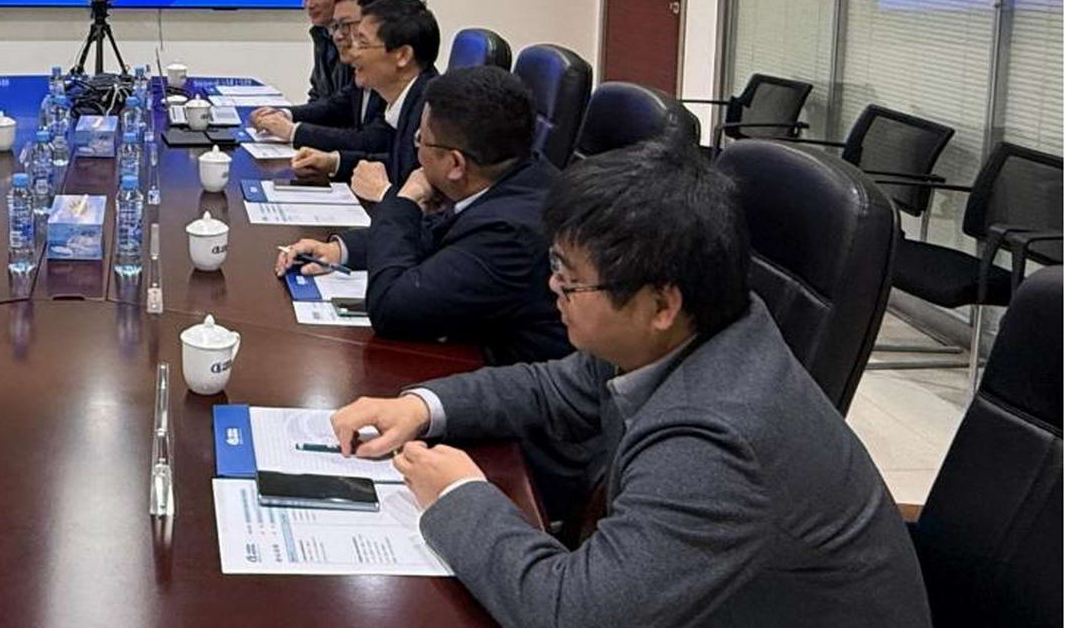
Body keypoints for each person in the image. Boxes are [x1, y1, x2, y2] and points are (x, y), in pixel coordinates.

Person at [327, 143, 932, 628]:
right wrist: (423, 406)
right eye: (555, 267)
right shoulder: (685, 330)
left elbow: (568, 612)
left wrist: (459, 495)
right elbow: (552, 388)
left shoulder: (716, 442)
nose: (553, 290)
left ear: (661, 303)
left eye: (570, 280)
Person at [273, 66, 567, 364]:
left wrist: (404, 199)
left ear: (455, 164)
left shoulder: (508, 232)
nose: (417, 151)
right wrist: (342, 250)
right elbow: (435, 233)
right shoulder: (517, 174)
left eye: (420, 140)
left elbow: (391, 309)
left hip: (497, 375)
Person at [290, 0, 438, 201]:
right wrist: (334, 162)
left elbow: (423, 193)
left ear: (403, 55)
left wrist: (383, 193)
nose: (352, 51)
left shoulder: (432, 115)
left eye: (362, 43)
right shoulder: (410, 100)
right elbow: (398, 165)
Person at [249, 0, 393, 154]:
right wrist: (285, 114)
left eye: (346, 25)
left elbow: (373, 141)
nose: (337, 36)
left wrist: (293, 131)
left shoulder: (393, 79)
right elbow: (335, 107)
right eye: (335, 26)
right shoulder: (363, 72)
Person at [298, 0, 353, 105]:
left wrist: (292, 117)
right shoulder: (321, 33)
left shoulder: (355, 39)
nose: (308, 4)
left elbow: (345, 104)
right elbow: (318, 94)